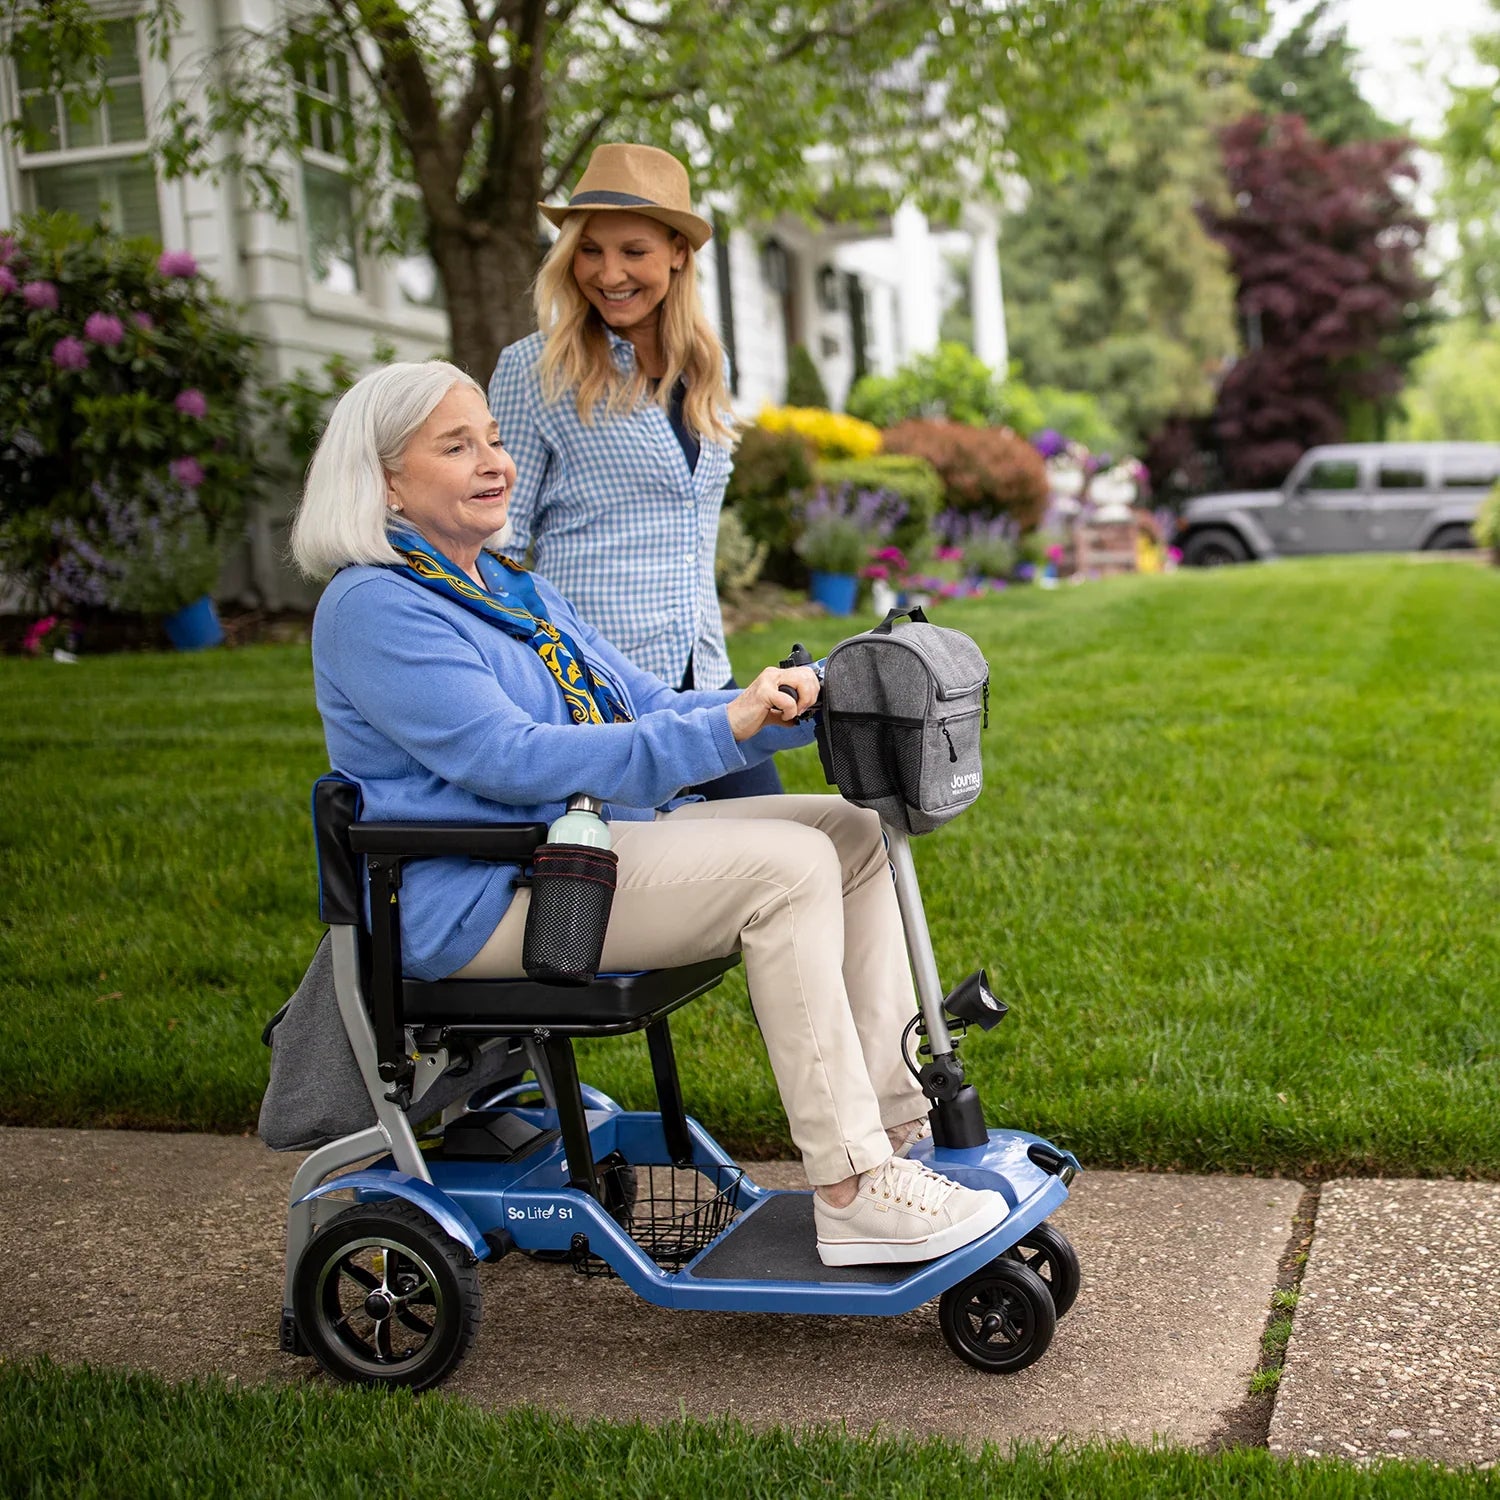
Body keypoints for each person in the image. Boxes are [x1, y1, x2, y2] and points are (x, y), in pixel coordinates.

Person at [290, 361, 1009, 1268]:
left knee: (851, 832)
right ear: (385, 479)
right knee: (784, 872)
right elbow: (509, 761)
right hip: (479, 896)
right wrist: (727, 731)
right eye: (456, 445)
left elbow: (638, 706)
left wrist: (779, 708)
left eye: (496, 440)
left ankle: (896, 1134)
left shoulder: (509, 591)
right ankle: (852, 1188)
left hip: (568, 854)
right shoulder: (374, 606)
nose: (494, 463)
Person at [488, 142, 782, 801]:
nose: (607, 272)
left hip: (704, 680)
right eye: (590, 249)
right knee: (643, 886)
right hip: (598, 692)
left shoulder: (708, 370)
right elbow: (492, 539)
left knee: (782, 836)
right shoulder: (535, 372)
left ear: (678, 251)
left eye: (633, 251)